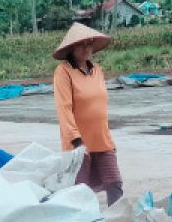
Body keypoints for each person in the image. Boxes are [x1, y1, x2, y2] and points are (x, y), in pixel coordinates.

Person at [52, 23, 123, 205]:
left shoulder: (97, 70)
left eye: (89, 43)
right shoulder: (64, 72)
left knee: (114, 183)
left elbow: (100, 108)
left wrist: (108, 136)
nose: (86, 48)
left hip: (102, 139)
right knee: (80, 191)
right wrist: (75, 138)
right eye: (81, 44)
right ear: (71, 47)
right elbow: (64, 107)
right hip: (79, 143)